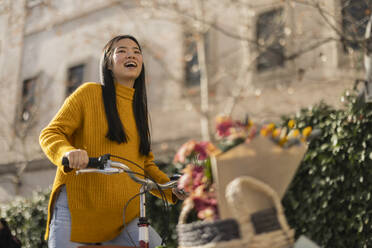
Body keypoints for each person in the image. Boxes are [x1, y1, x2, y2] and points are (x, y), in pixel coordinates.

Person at [39, 35, 186, 248]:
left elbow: (144, 165)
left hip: (124, 218)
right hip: (78, 211)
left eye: (136, 51)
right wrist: (67, 153)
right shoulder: (88, 93)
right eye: (122, 51)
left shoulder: (139, 110)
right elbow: (51, 133)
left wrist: (172, 188)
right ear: (108, 63)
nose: (131, 55)